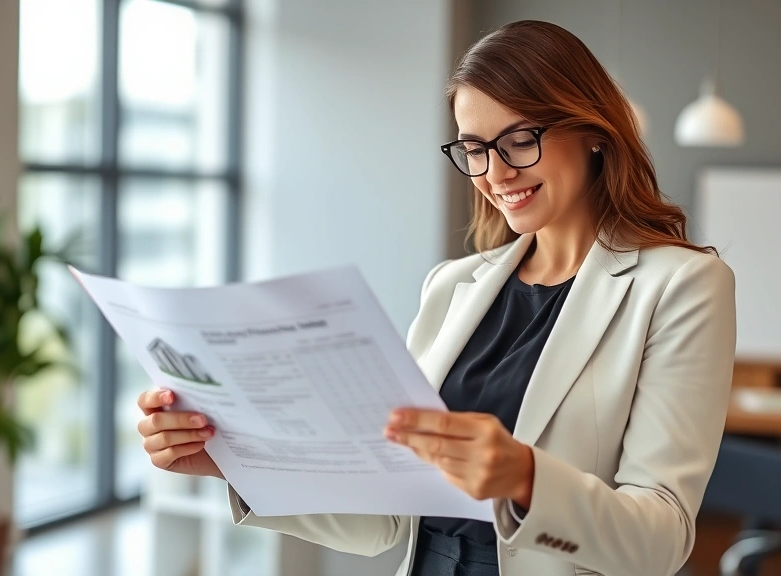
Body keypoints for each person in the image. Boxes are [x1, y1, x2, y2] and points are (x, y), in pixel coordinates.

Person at [135, 20, 736, 576]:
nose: (495, 173)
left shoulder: (681, 285)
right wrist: (234, 461)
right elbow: (387, 518)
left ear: (591, 132)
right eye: (474, 148)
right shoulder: (451, 287)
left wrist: (526, 479)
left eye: (519, 140)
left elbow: (661, 540)